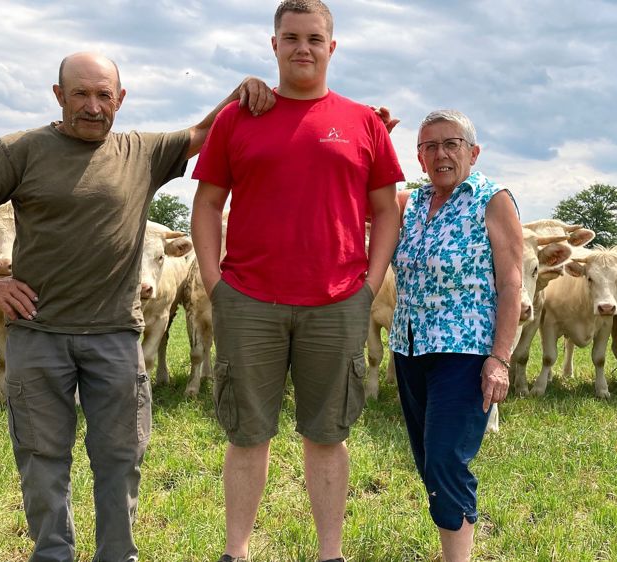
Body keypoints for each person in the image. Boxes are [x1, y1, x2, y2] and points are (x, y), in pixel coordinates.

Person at [0, 52, 274, 562]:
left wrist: (243, 89)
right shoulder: (20, 150)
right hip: (38, 332)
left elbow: (203, 131)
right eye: (80, 94)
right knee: (41, 454)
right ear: (58, 95)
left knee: (119, 456)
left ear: (120, 97)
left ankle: (117, 554)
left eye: (103, 95)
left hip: (116, 336)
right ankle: (53, 552)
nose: (92, 106)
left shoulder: (141, 153)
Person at [190, 1, 404, 560]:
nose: (302, 48)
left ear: (332, 47)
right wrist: (217, 285)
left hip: (336, 302)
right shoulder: (239, 117)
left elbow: (386, 211)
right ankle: (236, 551)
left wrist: (368, 284)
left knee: (328, 434)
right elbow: (208, 204)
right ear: (274, 44)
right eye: (291, 38)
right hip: (248, 300)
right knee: (246, 434)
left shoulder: (363, 123)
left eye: (314, 38)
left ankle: (329, 552)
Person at [389, 110, 522, 562]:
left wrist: (499, 358)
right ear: (419, 157)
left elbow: (512, 283)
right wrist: (376, 142)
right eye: (429, 147)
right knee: (430, 461)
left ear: (473, 152)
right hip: (409, 347)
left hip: (465, 350)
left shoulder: (492, 199)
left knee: (446, 459)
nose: (441, 154)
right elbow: (363, 198)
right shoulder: (409, 204)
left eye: (452, 144)